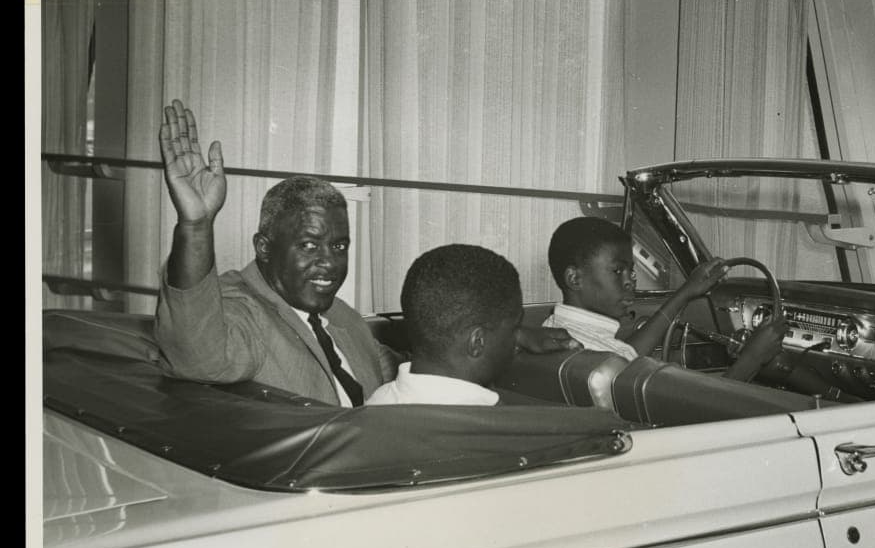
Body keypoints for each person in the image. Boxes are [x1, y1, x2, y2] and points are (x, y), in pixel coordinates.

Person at [154, 100, 576, 405]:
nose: (329, 263)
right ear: (263, 248)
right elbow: (200, 355)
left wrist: (510, 334)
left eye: (339, 246)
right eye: (308, 245)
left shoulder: (340, 317)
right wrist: (196, 226)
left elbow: (417, 370)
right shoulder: (241, 309)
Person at [544, 216, 786, 382]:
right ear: (574, 278)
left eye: (632, 271)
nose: (630, 281)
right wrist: (752, 358)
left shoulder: (556, 331)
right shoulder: (598, 360)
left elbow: (628, 353)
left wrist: (686, 292)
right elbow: (696, 425)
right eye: (618, 271)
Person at [367, 244, 522, 405]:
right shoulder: (499, 423)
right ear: (477, 342)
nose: (517, 341)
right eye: (515, 328)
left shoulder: (374, 404)